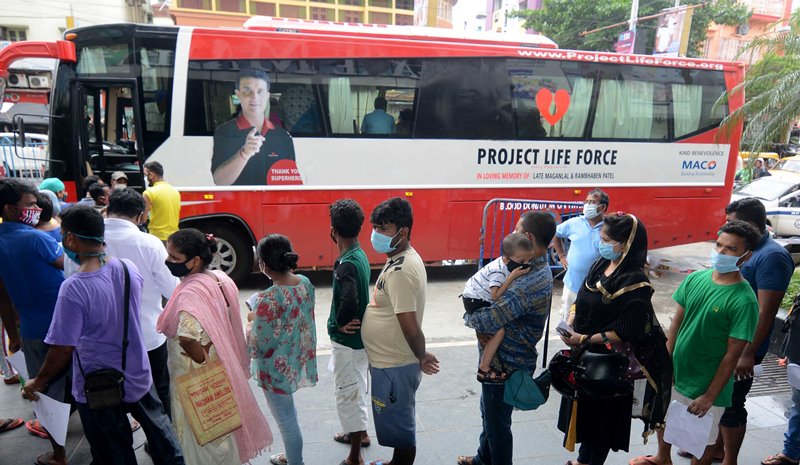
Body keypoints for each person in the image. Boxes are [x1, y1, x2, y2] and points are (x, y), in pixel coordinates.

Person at [23, 206, 184, 465]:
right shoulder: (127, 268)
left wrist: (39, 381)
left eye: (64, 234)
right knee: (162, 434)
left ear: (71, 239)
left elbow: (63, 348)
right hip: (137, 371)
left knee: (113, 451)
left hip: (97, 384)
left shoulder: (74, 287)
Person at [630, 220, 760, 465]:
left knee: (701, 444)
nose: (721, 252)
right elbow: (676, 326)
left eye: (731, 249)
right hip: (677, 372)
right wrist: (664, 367)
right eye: (719, 245)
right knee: (664, 419)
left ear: (746, 256)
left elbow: (732, 356)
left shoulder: (745, 300)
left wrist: (710, 396)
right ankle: (662, 458)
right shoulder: (695, 279)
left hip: (707, 384)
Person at [558, 214, 672, 465]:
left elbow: (628, 330)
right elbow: (582, 294)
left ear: (626, 243)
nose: (602, 244)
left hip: (610, 367)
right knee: (585, 415)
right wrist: (573, 318)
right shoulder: (601, 263)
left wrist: (584, 338)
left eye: (607, 240)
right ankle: (581, 460)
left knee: (601, 423)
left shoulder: (635, 282)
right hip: (585, 356)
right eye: (602, 238)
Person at [158, 228, 271, 464]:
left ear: (195, 261)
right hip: (223, 370)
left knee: (202, 434)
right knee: (224, 425)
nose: (168, 262)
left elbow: (188, 338)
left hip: (197, 379)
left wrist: (201, 355)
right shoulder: (221, 278)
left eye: (174, 258)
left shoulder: (191, 292)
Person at [64, 188, 179, 416]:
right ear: (140, 216)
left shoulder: (81, 244)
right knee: (159, 392)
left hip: (98, 345)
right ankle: (161, 444)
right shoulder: (150, 243)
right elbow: (172, 289)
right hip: (147, 336)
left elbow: (71, 284)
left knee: (109, 402)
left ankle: (121, 443)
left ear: (107, 210)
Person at [457, 210, 556, 465]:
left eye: (516, 228)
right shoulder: (526, 267)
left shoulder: (529, 280)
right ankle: (482, 459)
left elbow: (490, 318)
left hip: (505, 364)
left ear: (527, 236)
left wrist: (470, 318)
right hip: (506, 357)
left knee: (497, 424)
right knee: (490, 416)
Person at [705, 198, 794, 465]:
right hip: (722, 343)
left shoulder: (771, 256)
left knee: (732, 405)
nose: (727, 228)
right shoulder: (742, 250)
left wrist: (748, 353)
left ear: (750, 224)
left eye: (732, 222)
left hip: (743, 347)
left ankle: (730, 458)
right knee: (720, 400)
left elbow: (766, 311)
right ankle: (716, 448)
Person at [362, 197, 440, 465]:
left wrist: (422, 355)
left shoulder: (402, 269)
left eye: (382, 228)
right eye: (374, 227)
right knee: (397, 423)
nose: (375, 234)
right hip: (390, 362)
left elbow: (409, 324)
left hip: (394, 364)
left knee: (402, 430)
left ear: (402, 231)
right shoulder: (400, 256)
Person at [0, 178, 68, 465]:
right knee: (84, 383)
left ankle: (59, 455)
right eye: (29, 205)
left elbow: (2, 295)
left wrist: (12, 335)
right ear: (10, 209)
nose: (35, 210)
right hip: (64, 324)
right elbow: (70, 267)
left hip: (30, 329)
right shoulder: (37, 238)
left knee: (46, 393)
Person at [248, 234, 316, 465]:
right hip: (295, 359)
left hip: (275, 370)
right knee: (290, 417)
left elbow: (258, 345)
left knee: (286, 421)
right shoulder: (305, 283)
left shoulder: (269, 299)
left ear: (264, 265)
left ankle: (296, 461)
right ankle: (292, 456)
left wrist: (251, 319)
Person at [327, 199, 373, 463]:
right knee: (355, 386)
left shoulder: (346, 264)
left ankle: (355, 455)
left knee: (348, 392)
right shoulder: (359, 254)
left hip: (348, 342)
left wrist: (338, 323)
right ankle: (360, 433)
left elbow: (350, 300)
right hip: (359, 341)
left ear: (333, 231)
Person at [461, 232, 536, 382]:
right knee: (499, 330)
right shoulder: (499, 271)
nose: (525, 264)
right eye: (521, 260)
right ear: (506, 258)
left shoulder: (506, 264)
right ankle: (484, 368)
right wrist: (512, 277)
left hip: (477, 296)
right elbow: (495, 295)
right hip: (474, 300)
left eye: (529, 260)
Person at [211, 69, 296, 186]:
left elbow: (291, 182)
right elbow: (219, 181)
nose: (254, 97)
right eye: (247, 91)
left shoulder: (283, 136)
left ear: (267, 96)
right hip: (237, 203)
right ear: (238, 94)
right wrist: (244, 154)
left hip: (271, 203)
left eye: (260, 91)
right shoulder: (224, 132)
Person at [553, 189, 609, 321]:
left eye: (593, 202)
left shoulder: (609, 226)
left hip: (596, 288)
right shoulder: (575, 223)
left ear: (603, 207)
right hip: (572, 285)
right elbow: (556, 234)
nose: (588, 205)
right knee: (567, 323)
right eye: (586, 201)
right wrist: (561, 256)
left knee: (589, 321)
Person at [143, 161, 181, 243]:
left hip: (157, 237)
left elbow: (143, 219)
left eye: (146, 175)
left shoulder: (149, 193)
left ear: (151, 175)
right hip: (173, 237)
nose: (145, 178)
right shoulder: (175, 191)